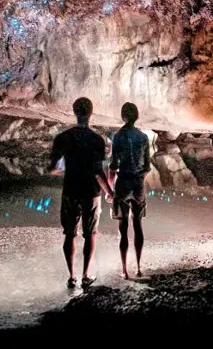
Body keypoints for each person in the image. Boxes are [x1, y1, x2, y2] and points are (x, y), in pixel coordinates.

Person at [49, 97, 113, 288]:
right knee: (90, 233)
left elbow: (53, 167)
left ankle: (71, 277)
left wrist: (64, 168)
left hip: (71, 189)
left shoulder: (63, 138)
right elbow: (98, 171)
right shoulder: (96, 140)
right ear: (91, 113)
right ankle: (85, 275)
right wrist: (110, 192)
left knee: (70, 234)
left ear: (74, 112)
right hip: (91, 192)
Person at [108, 101, 151, 279]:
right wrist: (140, 178)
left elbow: (113, 166)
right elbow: (147, 166)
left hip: (123, 182)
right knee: (138, 225)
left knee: (123, 226)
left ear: (123, 116)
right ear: (136, 116)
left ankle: (124, 270)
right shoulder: (143, 138)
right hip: (138, 183)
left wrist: (111, 190)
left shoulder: (117, 136)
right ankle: (139, 267)